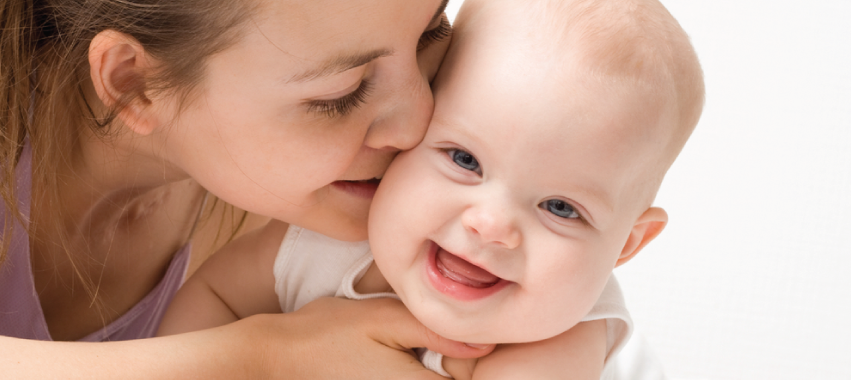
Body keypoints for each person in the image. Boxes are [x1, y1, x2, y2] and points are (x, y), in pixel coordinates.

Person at [158, 0, 705, 378]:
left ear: (628, 245)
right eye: (464, 160)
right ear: (408, 137)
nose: (490, 225)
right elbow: (213, 299)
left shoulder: (555, 339)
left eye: (561, 208)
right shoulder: (319, 243)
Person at [0, 0, 496, 378]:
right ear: (133, 82)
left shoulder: (297, 206)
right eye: (341, 94)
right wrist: (266, 355)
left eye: (431, 30)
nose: (417, 124)